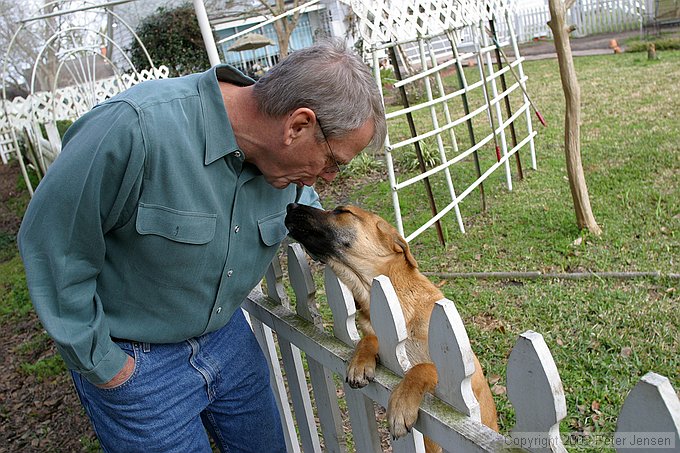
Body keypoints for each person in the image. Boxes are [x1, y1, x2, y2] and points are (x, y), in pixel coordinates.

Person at [18, 38, 386, 453]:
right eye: (334, 161)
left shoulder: (288, 175)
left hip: (228, 340)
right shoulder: (134, 128)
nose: (330, 177)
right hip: (137, 363)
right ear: (297, 126)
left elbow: (321, 230)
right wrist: (105, 366)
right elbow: (53, 245)